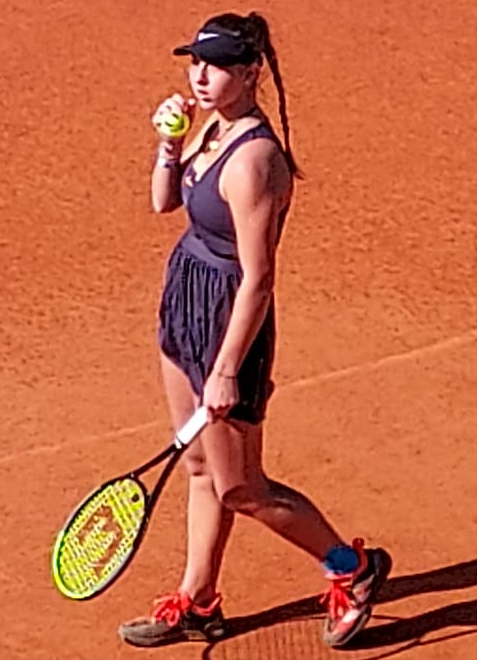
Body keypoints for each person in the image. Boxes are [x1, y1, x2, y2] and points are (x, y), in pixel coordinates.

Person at [118, 11, 392, 650]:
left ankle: (353, 568)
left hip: (230, 321)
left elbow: (259, 278)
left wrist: (225, 368)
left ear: (250, 74)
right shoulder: (210, 127)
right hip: (186, 302)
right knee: (197, 466)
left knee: (241, 486)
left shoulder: (255, 162)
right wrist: (168, 144)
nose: (201, 76)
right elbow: (163, 201)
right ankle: (198, 601)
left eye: (216, 66)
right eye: (195, 63)